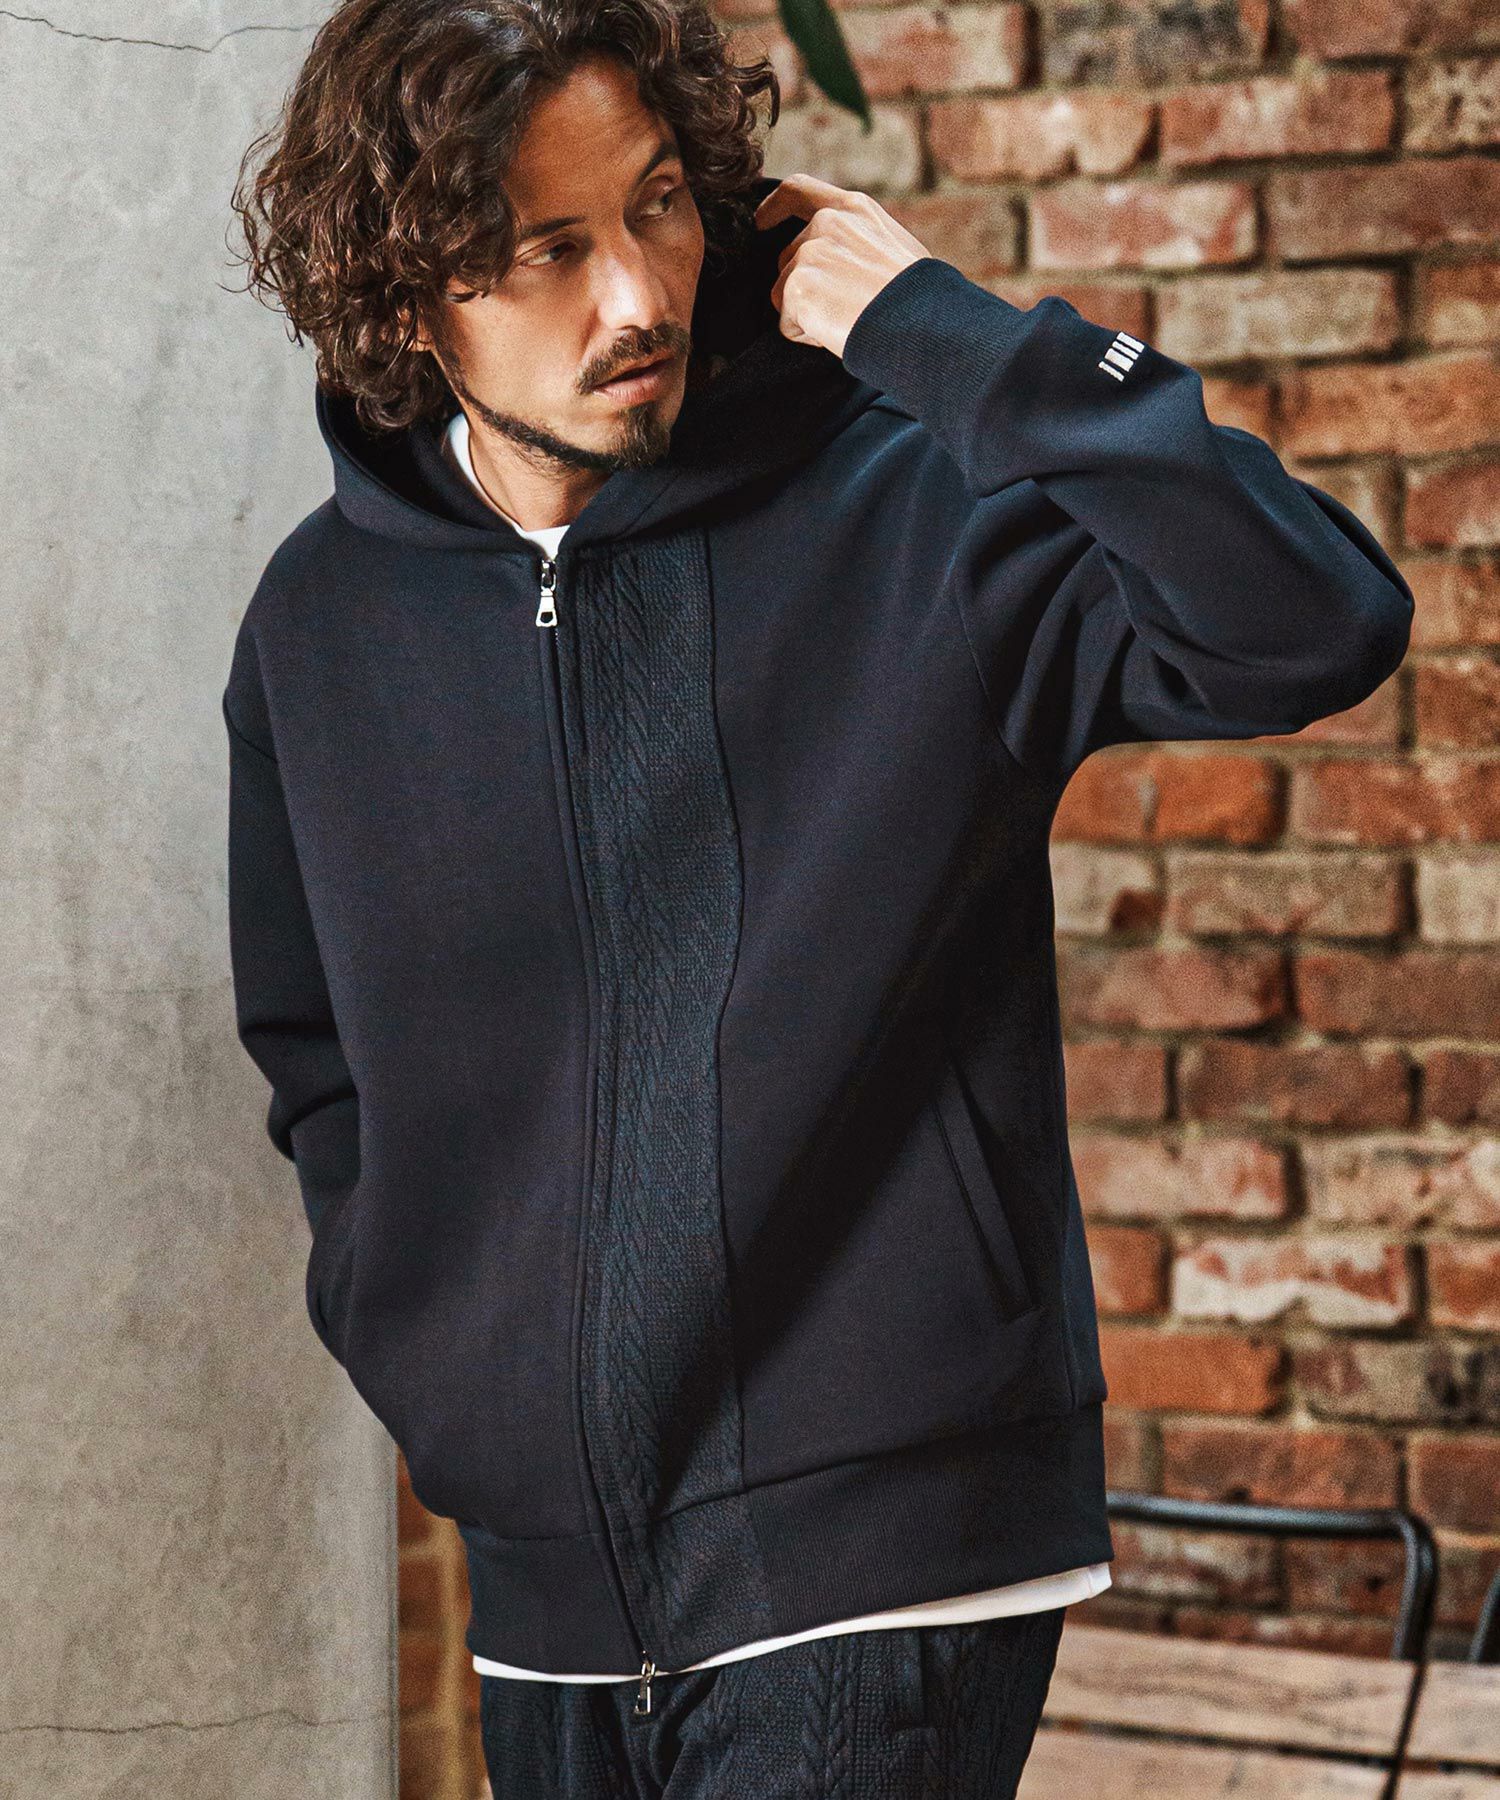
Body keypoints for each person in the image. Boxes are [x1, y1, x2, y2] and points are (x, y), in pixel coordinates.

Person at [221, 0, 1414, 1792]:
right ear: (404, 302)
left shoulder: (920, 509)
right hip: (545, 1597)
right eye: (550, 250)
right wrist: (431, 1344)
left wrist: (951, 339)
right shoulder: (320, 626)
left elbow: (1315, 618)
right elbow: (314, 1059)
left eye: (658, 207)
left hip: (885, 1575)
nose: (638, 295)